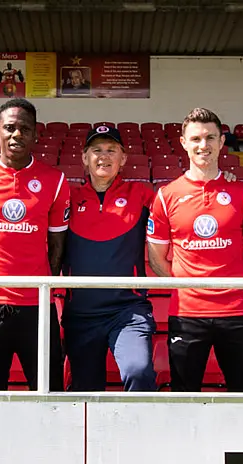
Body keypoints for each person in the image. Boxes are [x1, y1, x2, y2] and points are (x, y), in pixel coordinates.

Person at [146, 108, 243, 392]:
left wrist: (233, 285)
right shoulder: (166, 195)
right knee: (184, 395)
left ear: (222, 141)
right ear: (183, 143)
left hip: (237, 312)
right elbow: (156, 258)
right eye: (197, 138)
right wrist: (188, 289)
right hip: (187, 313)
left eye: (211, 137)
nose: (204, 145)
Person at [0, 98, 69, 391]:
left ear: (35, 134)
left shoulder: (54, 181)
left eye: (24, 129)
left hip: (36, 304)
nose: (16, 135)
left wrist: (43, 285)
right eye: (9, 128)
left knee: (49, 391)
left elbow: (57, 245)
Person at [62, 125, 157, 391]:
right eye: (97, 150)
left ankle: (140, 432)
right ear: (84, 157)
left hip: (127, 310)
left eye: (111, 150)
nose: (104, 157)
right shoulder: (68, 197)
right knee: (85, 390)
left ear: (123, 158)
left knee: (138, 372)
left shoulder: (141, 195)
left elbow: (182, 208)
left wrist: (219, 180)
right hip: (81, 313)